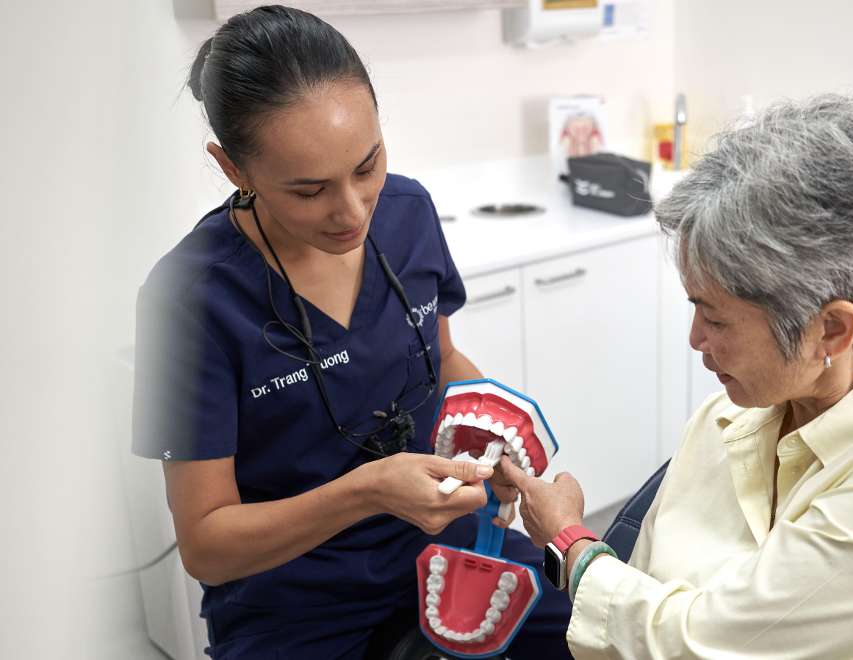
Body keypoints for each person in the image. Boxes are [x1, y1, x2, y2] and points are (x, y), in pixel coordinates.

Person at [501, 94, 853, 659]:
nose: (695, 339)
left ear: (832, 331)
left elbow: (699, 644)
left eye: (715, 318)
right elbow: (642, 605)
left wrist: (569, 541)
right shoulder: (728, 418)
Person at [131, 6, 570, 658]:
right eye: (309, 191)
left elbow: (443, 357)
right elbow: (208, 546)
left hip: (448, 542)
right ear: (234, 171)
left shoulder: (409, 212)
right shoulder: (192, 299)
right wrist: (366, 492)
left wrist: (498, 440)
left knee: (593, 631)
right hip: (295, 599)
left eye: (368, 166)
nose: (353, 211)